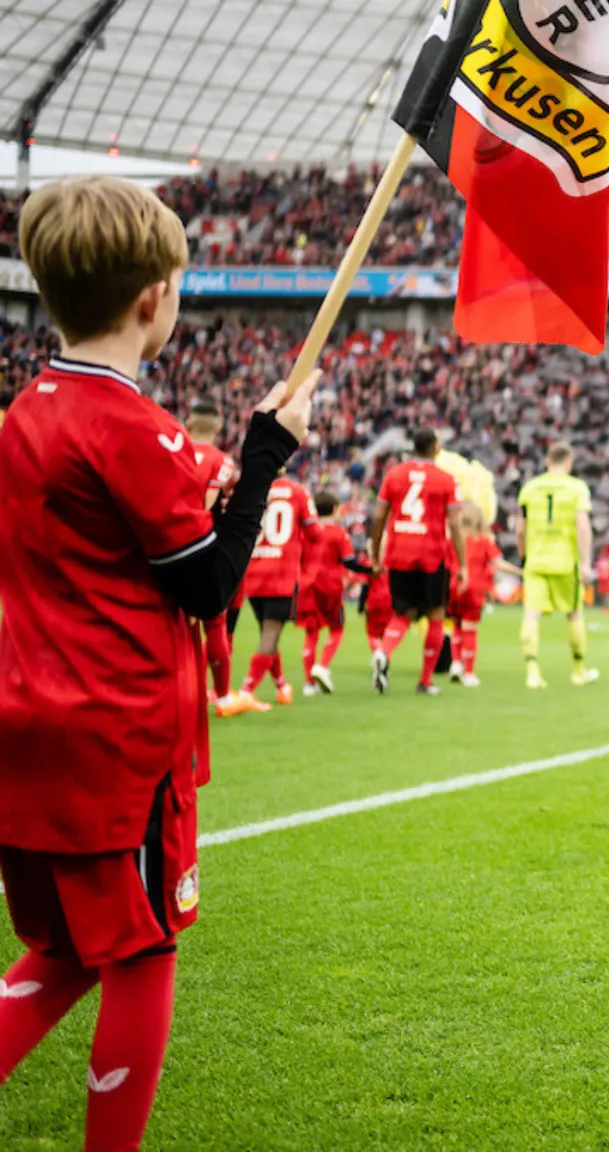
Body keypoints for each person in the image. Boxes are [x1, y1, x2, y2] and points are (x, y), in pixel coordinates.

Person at [0, 175, 311, 1152]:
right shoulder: (128, 427)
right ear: (154, 301)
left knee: (58, 949)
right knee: (140, 957)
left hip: (30, 724)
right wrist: (263, 459)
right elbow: (211, 585)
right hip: (119, 739)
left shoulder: (24, 415)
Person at [366, 430, 467, 696]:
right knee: (436, 615)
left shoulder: (394, 475)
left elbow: (378, 518)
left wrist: (375, 555)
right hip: (433, 556)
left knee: (402, 615)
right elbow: (456, 525)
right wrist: (463, 564)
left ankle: (383, 652)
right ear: (435, 448)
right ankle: (425, 681)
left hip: (399, 554)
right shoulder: (447, 480)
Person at [233, 468, 319, 710]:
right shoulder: (298, 491)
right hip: (282, 572)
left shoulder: (252, 489)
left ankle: (281, 685)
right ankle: (246, 691)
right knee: (270, 635)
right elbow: (314, 532)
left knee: (267, 631)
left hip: (254, 570)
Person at [516, 442, 598, 688]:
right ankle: (578, 670)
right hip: (566, 562)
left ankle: (532, 672)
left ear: (546, 462)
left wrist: (524, 557)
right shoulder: (576, 487)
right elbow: (583, 526)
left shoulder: (530, 488)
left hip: (536, 560)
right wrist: (586, 563)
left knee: (531, 615)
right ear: (569, 463)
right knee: (574, 613)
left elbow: (520, 529)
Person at [186, 399, 240, 715]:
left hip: (168, 544)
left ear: (188, 424)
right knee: (215, 625)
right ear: (219, 427)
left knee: (178, 624)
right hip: (207, 546)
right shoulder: (223, 462)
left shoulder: (171, 450)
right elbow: (216, 504)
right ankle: (220, 697)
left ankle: (186, 692)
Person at [297, 492, 365, 695]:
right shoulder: (338, 533)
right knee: (337, 629)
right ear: (335, 510)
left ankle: (309, 684)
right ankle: (322, 665)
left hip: (307, 586)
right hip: (331, 587)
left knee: (311, 633)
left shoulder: (305, 532)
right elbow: (349, 561)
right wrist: (371, 570)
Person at [449, 505, 518, 687]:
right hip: (474, 589)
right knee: (470, 629)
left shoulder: (452, 539)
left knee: (456, 625)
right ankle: (468, 672)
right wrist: (519, 572)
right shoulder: (484, 541)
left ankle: (456, 663)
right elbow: (498, 563)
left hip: (453, 587)